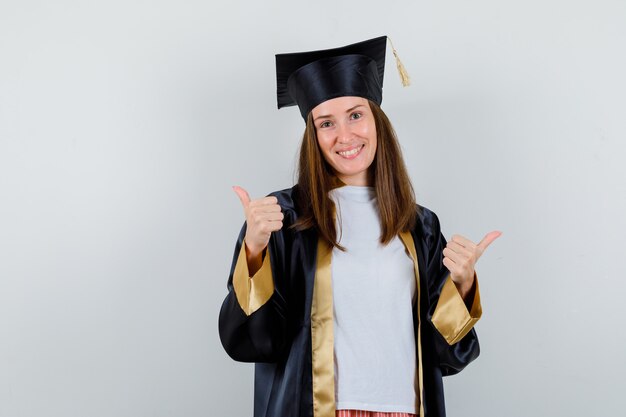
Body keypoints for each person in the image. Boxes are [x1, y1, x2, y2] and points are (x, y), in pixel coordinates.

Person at [218, 36, 501, 417]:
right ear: (313, 137)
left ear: (377, 122)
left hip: (406, 408)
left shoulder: (420, 226)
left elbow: (447, 354)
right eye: (326, 123)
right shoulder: (282, 217)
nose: (345, 136)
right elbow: (253, 341)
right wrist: (253, 251)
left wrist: (463, 285)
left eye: (355, 115)